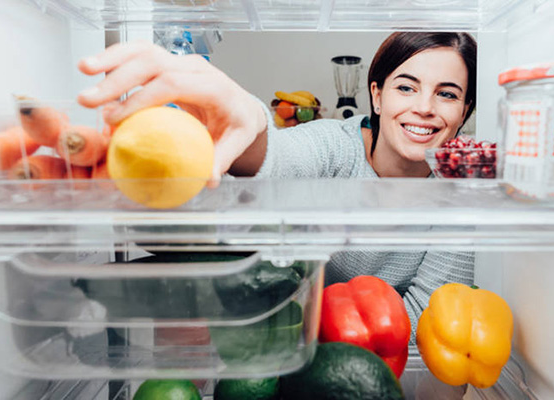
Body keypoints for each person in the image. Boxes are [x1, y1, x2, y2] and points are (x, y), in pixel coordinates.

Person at [77, 32, 477, 340]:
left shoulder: (460, 194)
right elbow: (280, 158)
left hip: (373, 357)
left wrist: (329, 332)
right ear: (376, 95)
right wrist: (248, 120)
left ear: (464, 113)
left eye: (446, 94)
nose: (424, 106)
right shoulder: (335, 144)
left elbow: (434, 318)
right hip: (283, 337)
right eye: (406, 87)